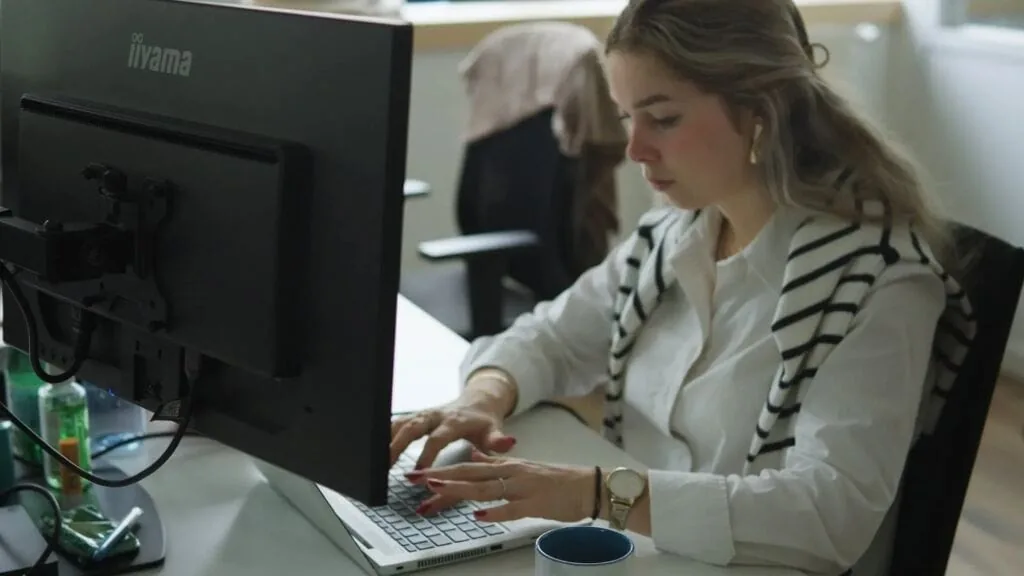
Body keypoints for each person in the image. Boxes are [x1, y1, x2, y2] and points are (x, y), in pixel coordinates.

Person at [389, 0, 976, 574]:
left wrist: (597, 494)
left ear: (761, 113)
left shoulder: (879, 281)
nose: (634, 150)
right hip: (646, 553)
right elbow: (553, 336)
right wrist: (481, 398)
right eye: (627, 119)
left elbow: (827, 515)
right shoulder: (674, 234)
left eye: (663, 118)